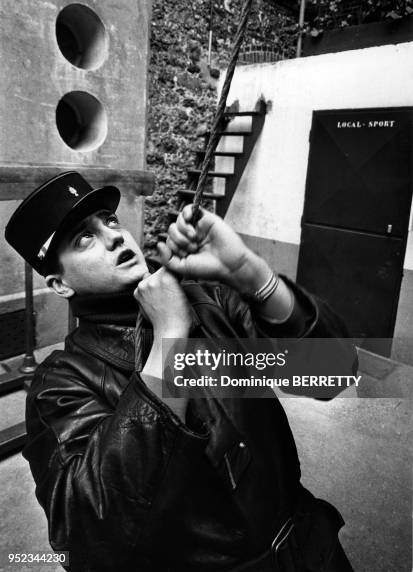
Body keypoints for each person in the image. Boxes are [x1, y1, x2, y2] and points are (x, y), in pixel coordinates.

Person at [5, 171, 356, 572]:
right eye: (84, 238)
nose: (115, 237)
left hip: (312, 554)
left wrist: (251, 274)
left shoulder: (210, 301)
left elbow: (334, 374)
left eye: (111, 220)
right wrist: (171, 339)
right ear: (60, 284)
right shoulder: (63, 383)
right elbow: (89, 539)